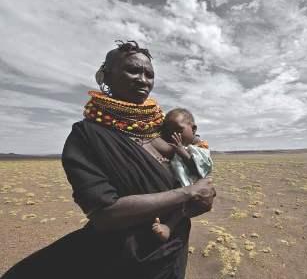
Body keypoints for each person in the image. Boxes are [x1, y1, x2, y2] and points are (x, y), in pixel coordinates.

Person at [1, 41, 216, 279]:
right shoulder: (87, 136)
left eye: (149, 74)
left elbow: (194, 170)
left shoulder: (164, 128)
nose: (143, 79)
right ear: (105, 77)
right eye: (132, 70)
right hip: (122, 259)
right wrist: (187, 194)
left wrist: (201, 198)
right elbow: (105, 215)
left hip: (172, 249)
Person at [151, 108, 213, 242]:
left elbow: (199, 167)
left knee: (182, 206)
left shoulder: (200, 147)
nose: (173, 135)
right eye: (168, 132)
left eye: (178, 130)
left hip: (192, 185)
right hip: (178, 184)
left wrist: (180, 150)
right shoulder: (175, 144)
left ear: (194, 129)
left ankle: (168, 227)